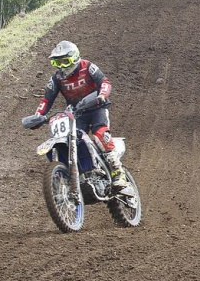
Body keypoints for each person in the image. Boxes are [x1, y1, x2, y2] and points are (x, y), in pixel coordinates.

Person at [24, 40, 132, 194]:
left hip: (96, 108)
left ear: (74, 58)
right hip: (77, 113)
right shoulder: (56, 78)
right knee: (71, 140)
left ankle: (117, 171)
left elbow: (104, 82)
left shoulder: (87, 66)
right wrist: (38, 117)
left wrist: (102, 95)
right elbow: (46, 100)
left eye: (64, 61)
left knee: (100, 134)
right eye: (57, 62)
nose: (61, 66)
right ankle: (80, 174)